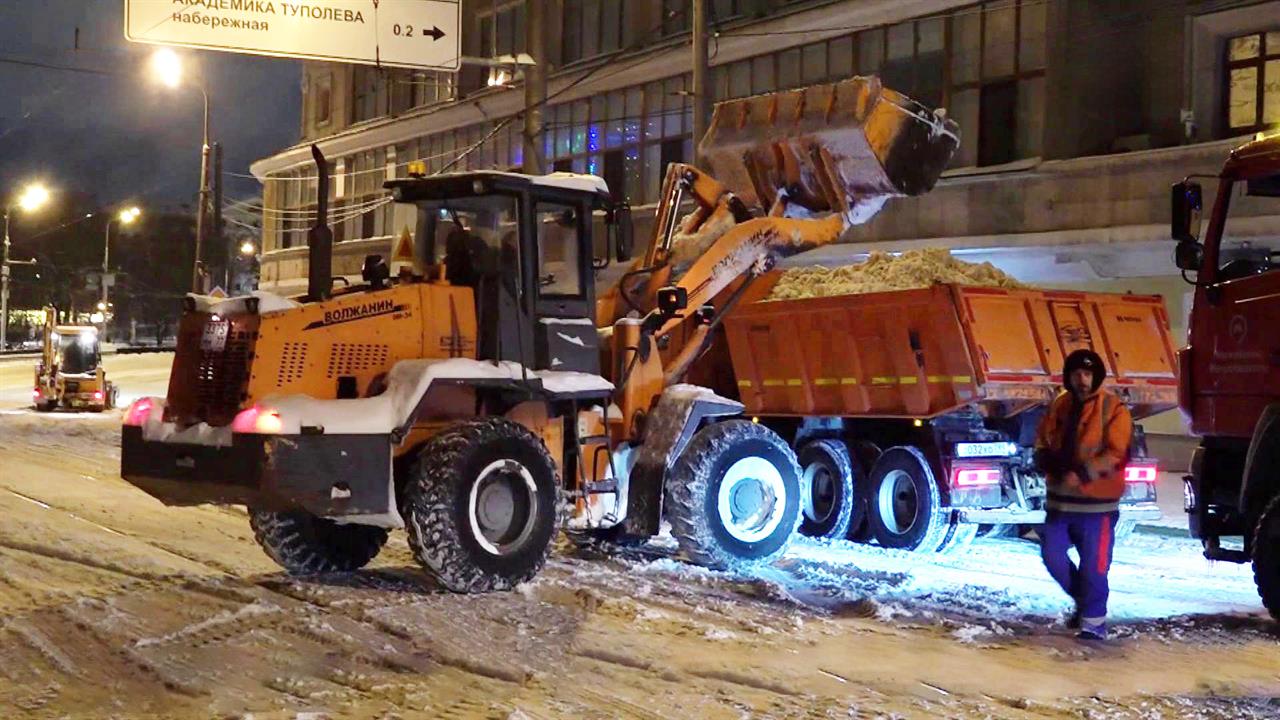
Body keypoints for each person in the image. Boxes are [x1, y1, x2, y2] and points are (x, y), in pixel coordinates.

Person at [1034, 348, 1132, 640]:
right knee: (1052, 555)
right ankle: (1084, 600)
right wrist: (1043, 458)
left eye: (1088, 374)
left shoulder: (1113, 408)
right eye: (1077, 374)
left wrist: (1084, 473)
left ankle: (1093, 625)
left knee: (1094, 567)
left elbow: (1117, 452)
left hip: (1097, 505)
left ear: (1097, 376)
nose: (1082, 380)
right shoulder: (1060, 405)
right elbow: (1043, 439)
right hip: (1060, 502)